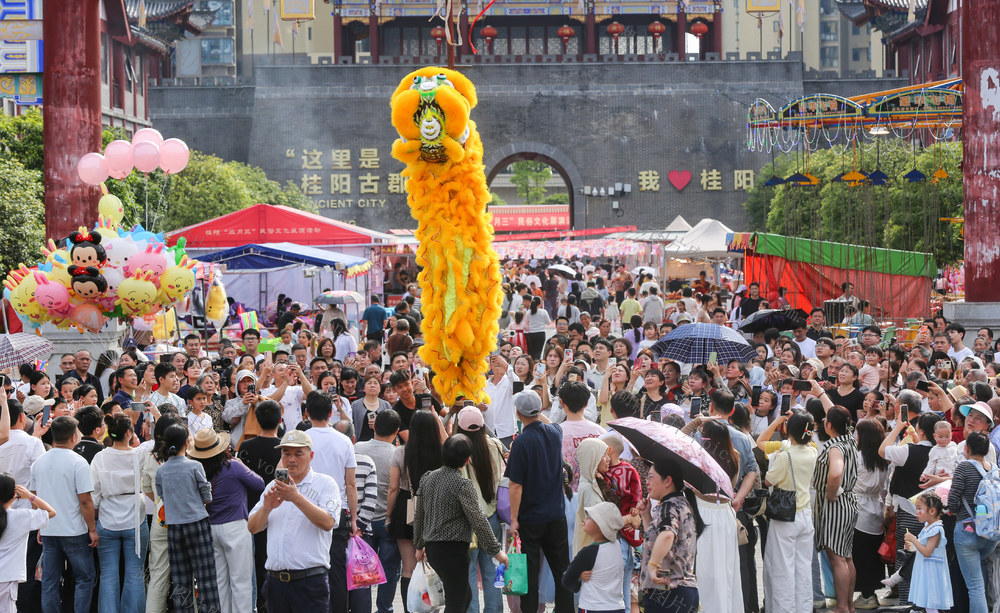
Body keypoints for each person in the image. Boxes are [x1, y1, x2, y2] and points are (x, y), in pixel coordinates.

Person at [413, 434, 507, 613]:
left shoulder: (428, 478)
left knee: (465, 597)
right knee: (456, 602)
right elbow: (478, 520)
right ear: (467, 460)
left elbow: (419, 515)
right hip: (453, 550)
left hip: (433, 549)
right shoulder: (463, 484)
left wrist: (419, 545)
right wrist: (497, 551)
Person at [248, 430, 341, 612]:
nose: (291, 459)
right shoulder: (273, 486)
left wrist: (296, 498)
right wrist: (267, 507)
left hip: (310, 583)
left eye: (298, 454)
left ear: (311, 455)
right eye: (286, 453)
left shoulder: (325, 484)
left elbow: (329, 522)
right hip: (275, 583)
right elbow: (252, 527)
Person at [506, 390, 573, 613]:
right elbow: (549, 422)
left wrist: (513, 518)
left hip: (530, 518)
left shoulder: (521, 443)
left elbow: (515, 485)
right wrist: (536, 412)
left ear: (517, 412)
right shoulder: (555, 433)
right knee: (562, 569)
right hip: (556, 514)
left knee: (530, 573)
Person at [189, 427, 264, 613]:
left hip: (212, 528)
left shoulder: (198, 470)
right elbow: (259, 483)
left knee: (220, 582)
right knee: (241, 582)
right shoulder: (234, 466)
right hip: (235, 526)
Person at [29, 415, 97, 613]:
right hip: (75, 531)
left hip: (50, 529)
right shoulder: (78, 462)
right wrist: (92, 529)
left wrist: (41, 525)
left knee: (49, 581)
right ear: (73, 437)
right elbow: (85, 500)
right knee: (84, 578)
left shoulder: (39, 463)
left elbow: (34, 498)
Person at [154, 423, 221, 613]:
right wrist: (201, 500)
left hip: (174, 526)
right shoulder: (195, 465)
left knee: (180, 579)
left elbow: (162, 496)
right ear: (187, 442)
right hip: (197, 523)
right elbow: (206, 494)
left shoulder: (162, 470)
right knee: (206, 577)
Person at [302, 391, 359, 613]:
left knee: (307, 567)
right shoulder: (344, 441)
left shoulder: (300, 437)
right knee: (336, 571)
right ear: (330, 413)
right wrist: (354, 519)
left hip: (305, 510)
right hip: (338, 511)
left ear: (307, 413)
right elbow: (351, 484)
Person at [762, 410, 818, 613]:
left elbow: (769, 480)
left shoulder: (785, 456)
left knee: (782, 568)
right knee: (803, 568)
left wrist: (780, 420)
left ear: (787, 430)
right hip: (805, 514)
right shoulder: (813, 451)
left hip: (786, 516)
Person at [91, 413, 147, 613]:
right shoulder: (139, 454)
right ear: (129, 433)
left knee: (108, 574)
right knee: (135, 574)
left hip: (107, 518)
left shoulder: (100, 456)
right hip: (136, 519)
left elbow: (94, 494)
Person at [387, 410, 443, 610]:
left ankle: (411, 608)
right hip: (436, 509)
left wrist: (388, 516)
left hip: (406, 508)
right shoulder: (442, 451)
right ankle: (433, 608)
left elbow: (393, 487)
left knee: (408, 568)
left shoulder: (401, 452)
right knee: (434, 565)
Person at [454, 407, 504, 613]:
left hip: (467, 521)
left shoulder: (456, 449)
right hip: (491, 517)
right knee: (493, 570)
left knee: (469, 573)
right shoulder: (494, 445)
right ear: (483, 425)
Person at [638, 456, 704, 613]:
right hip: (683, 591)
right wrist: (646, 516)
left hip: (668, 592)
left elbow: (667, 535)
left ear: (667, 481)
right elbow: (656, 540)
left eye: (651, 477)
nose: (646, 482)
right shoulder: (680, 503)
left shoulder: (668, 506)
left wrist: (653, 566)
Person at [811, 406, 858, 613]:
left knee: (837, 558)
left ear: (829, 425)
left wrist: (830, 493)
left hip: (835, 503)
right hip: (848, 500)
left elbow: (836, 472)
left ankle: (841, 607)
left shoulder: (835, 447)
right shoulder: (850, 440)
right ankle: (848, 604)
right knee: (846, 556)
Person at [354, 410, 402, 613]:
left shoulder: (357, 448)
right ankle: (385, 608)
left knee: (361, 569)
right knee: (390, 569)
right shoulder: (397, 453)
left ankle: (360, 607)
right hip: (387, 519)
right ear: (397, 431)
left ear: (373, 426)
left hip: (362, 519)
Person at [948, 431, 998, 613]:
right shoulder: (994, 469)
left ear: (967, 449)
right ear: (986, 450)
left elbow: (952, 502)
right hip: (990, 534)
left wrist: (950, 509)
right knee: (982, 581)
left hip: (967, 531)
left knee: (975, 587)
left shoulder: (964, 467)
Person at [0, 472, 55, 613]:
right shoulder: (20, 516)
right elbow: (50, 512)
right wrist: (30, 496)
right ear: (14, 494)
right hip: (7, 576)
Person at [851, 419, 889, 610]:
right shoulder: (882, 458)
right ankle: (870, 592)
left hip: (858, 506)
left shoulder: (857, 457)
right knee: (873, 554)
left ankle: (866, 594)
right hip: (876, 505)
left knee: (859, 554)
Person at [562, 501, 626, 613]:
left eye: (590, 517)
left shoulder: (588, 552)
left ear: (601, 526)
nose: (585, 518)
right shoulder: (618, 546)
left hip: (592, 606)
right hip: (616, 606)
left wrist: (579, 580)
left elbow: (567, 580)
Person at [905, 491, 953, 613]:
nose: (917, 513)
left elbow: (927, 551)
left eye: (919, 509)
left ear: (932, 511)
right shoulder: (928, 526)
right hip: (924, 569)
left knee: (931, 601)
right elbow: (921, 546)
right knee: (927, 601)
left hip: (931, 571)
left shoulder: (936, 529)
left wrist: (914, 540)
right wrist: (910, 546)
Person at [573, 437, 610, 554]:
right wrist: (628, 519)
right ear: (593, 459)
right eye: (603, 455)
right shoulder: (589, 488)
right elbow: (601, 524)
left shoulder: (591, 482)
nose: (608, 459)